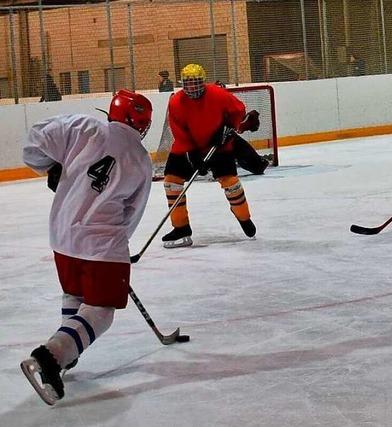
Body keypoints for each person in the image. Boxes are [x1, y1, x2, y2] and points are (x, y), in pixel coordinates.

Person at [20, 89, 153, 405]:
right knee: (101, 311)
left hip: (62, 236)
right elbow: (132, 214)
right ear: (143, 125)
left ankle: (68, 351)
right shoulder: (141, 159)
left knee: (75, 296)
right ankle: (52, 355)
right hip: (102, 244)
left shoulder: (82, 126)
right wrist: (118, 253)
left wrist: (50, 167)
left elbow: (33, 143)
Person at [162, 63, 261, 248]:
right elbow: (179, 131)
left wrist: (229, 127)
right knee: (171, 182)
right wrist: (192, 154)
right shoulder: (176, 101)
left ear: (203, 82)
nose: (192, 88)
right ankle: (181, 227)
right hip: (187, 146)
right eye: (188, 84)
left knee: (231, 183)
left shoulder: (218, 94)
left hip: (220, 147)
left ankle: (244, 218)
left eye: (196, 83)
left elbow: (238, 110)